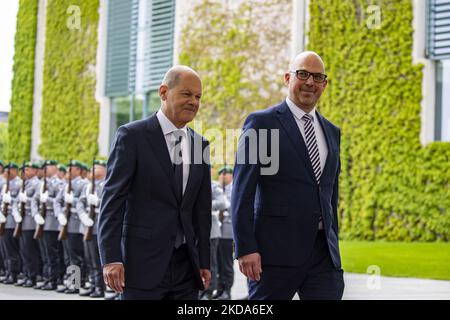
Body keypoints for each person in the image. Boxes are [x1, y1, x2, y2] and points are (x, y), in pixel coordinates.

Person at [231, 51, 344, 300]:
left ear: (324, 85)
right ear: (287, 78)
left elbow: (329, 193)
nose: (310, 82)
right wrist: (245, 247)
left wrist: (333, 241)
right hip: (274, 256)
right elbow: (242, 191)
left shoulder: (333, 132)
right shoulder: (261, 123)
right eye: (302, 74)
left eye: (317, 77)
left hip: (323, 256)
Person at [98, 65, 212, 300]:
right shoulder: (132, 136)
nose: (194, 101)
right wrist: (111, 258)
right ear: (163, 92)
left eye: (198, 96)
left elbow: (202, 210)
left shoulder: (201, 145)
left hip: (187, 270)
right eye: (186, 94)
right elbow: (112, 202)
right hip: (141, 266)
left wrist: (203, 260)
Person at [77, 160, 107, 298]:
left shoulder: (106, 184)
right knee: (89, 259)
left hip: (98, 228)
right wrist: (83, 215)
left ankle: (100, 288)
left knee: (96, 260)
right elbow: (80, 203)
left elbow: (109, 205)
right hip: (87, 226)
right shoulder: (88, 186)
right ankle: (94, 285)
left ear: (103, 169)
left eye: (96, 168)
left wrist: (99, 202)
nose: (92, 170)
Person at [0, 163, 22, 285]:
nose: (6, 173)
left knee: (12, 249)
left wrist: (12, 200)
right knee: (5, 249)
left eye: (9, 170)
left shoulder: (19, 183)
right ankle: (9, 272)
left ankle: (76, 284)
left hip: (12, 221)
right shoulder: (5, 185)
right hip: (4, 218)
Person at [215, 166, 234, 300]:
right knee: (219, 262)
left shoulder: (234, 188)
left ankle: (227, 290)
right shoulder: (220, 189)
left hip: (228, 231)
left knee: (226, 263)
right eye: (220, 174)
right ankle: (220, 289)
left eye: (225, 174)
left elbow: (231, 206)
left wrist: (225, 207)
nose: (222, 176)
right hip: (219, 231)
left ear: (231, 175)